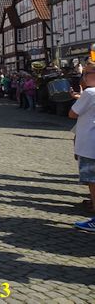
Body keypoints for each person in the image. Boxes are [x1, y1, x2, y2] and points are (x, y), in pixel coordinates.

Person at [69, 62, 95, 232]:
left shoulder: (90, 93)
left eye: (85, 74)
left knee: (93, 181)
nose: (83, 78)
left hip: (90, 143)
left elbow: (72, 113)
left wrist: (80, 97)